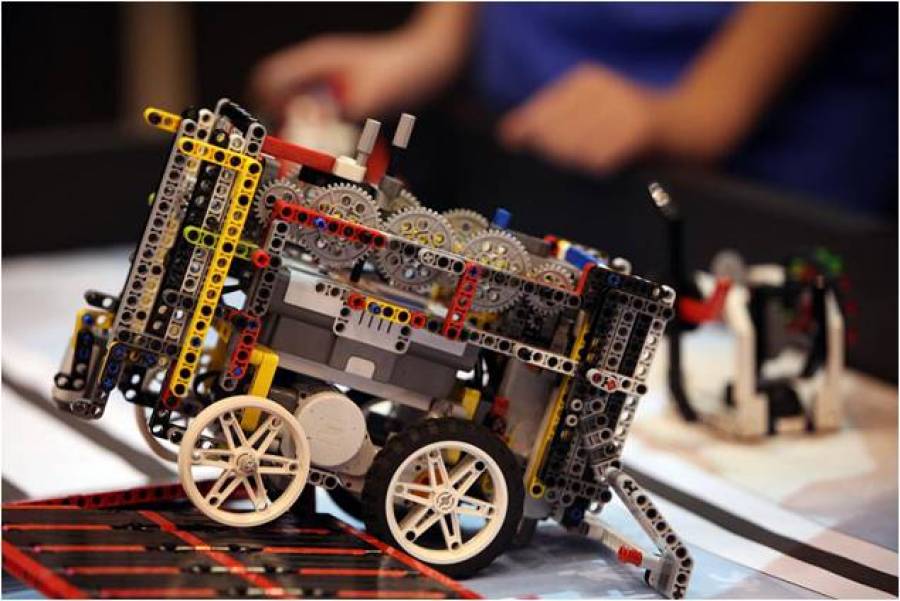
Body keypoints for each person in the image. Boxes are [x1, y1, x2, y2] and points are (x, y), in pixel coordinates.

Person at [251, 3, 896, 214]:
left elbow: (710, 116)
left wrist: (690, 113)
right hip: (513, 171)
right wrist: (434, 40)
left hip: (751, 207)